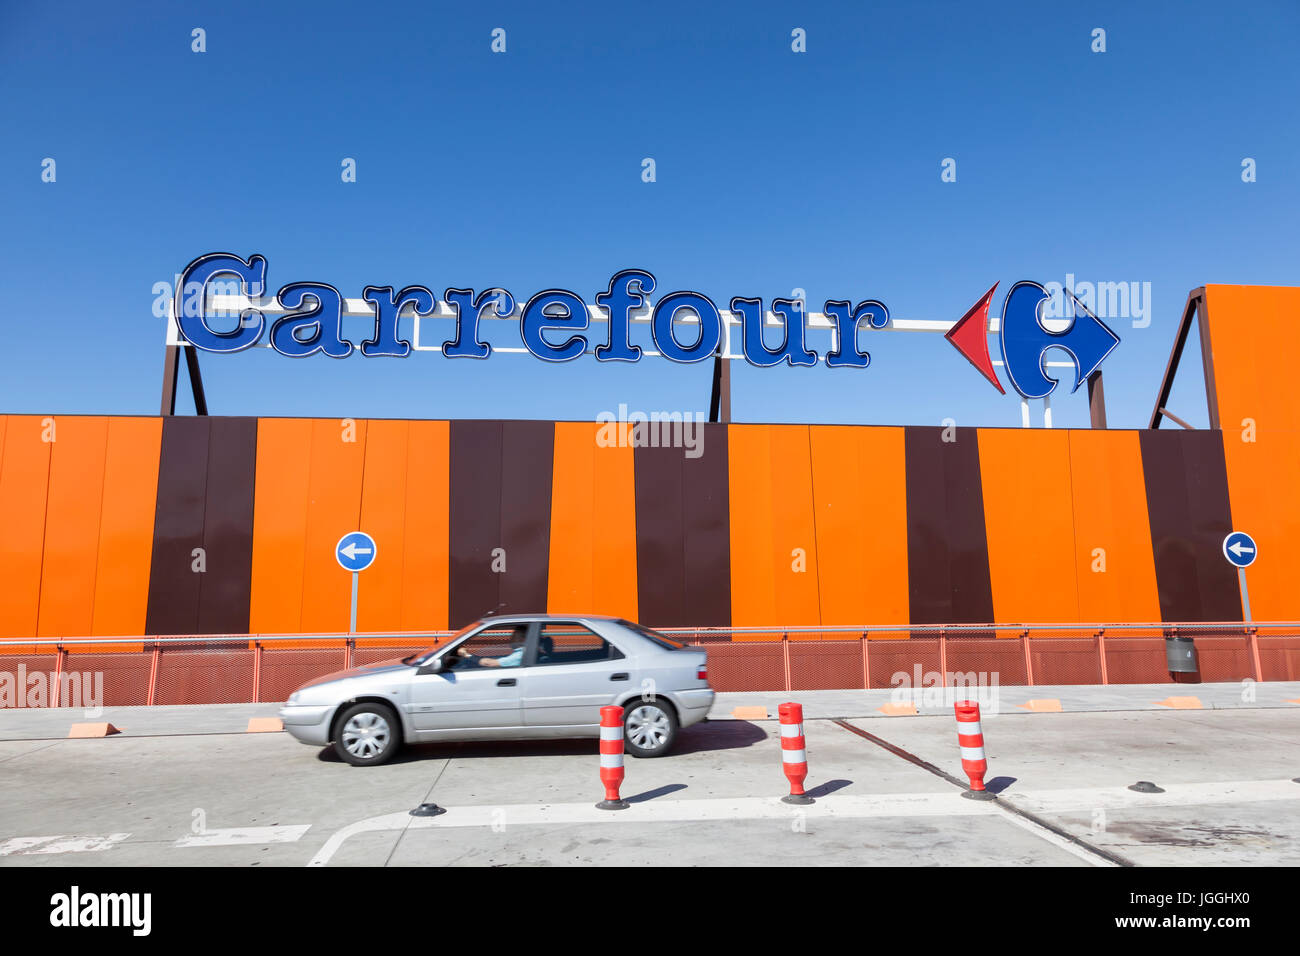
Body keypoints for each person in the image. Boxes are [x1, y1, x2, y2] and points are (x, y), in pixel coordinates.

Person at [455, 625, 527, 668]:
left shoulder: (520, 655)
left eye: (514, 636)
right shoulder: (522, 653)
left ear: (523, 639)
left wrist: (466, 654)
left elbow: (489, 663)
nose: (511, 639)